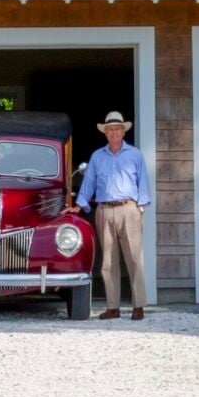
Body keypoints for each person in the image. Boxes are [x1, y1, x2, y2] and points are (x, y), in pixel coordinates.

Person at [74, 110, 149, 320]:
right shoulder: (97, 156)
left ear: (123, 132)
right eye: (110, 130)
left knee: (134, 258)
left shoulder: (135, 155)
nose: (114, 133)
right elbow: (88, 183)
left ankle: (138, 305)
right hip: (105, 210)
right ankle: (113, 307)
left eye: (117, 129)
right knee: (108, 262)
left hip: (129, 208)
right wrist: (79, 205)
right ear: (105, 133)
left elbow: (143, 181)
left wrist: (141, 206)